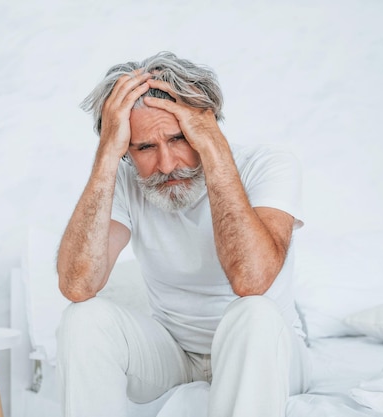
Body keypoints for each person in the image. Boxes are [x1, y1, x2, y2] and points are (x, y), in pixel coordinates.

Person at [56, 51, 311, 417]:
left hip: (269, 350)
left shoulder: (267, 165)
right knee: (82, 318)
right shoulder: (127, 180)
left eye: (179, 139)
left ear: (205, 125)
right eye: (144, 147)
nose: (166, 164)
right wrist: (107, 155)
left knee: (255, 311)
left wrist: (213, 149)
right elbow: (78, 284)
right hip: (175, 352)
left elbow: (251, 279)